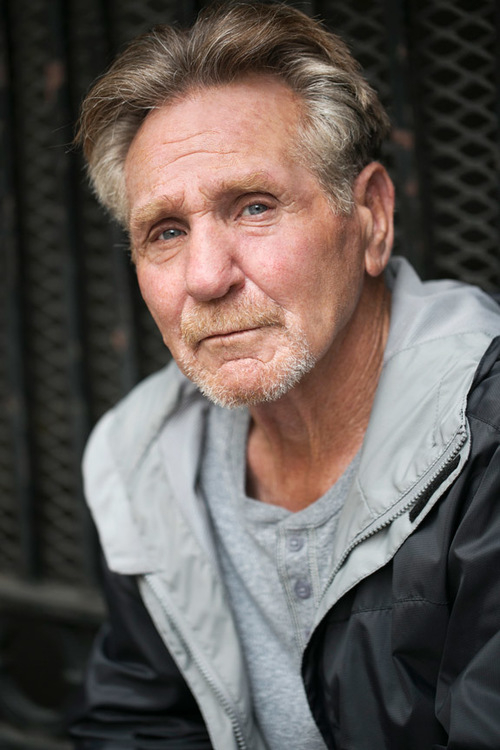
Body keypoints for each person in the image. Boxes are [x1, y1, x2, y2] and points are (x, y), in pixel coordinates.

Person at [69, 3, 500, 748]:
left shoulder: (485, 439)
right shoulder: (142, 462)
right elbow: (136, 725)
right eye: (165, 231)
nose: (207, 277)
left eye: (254, 207)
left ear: (370, 217)